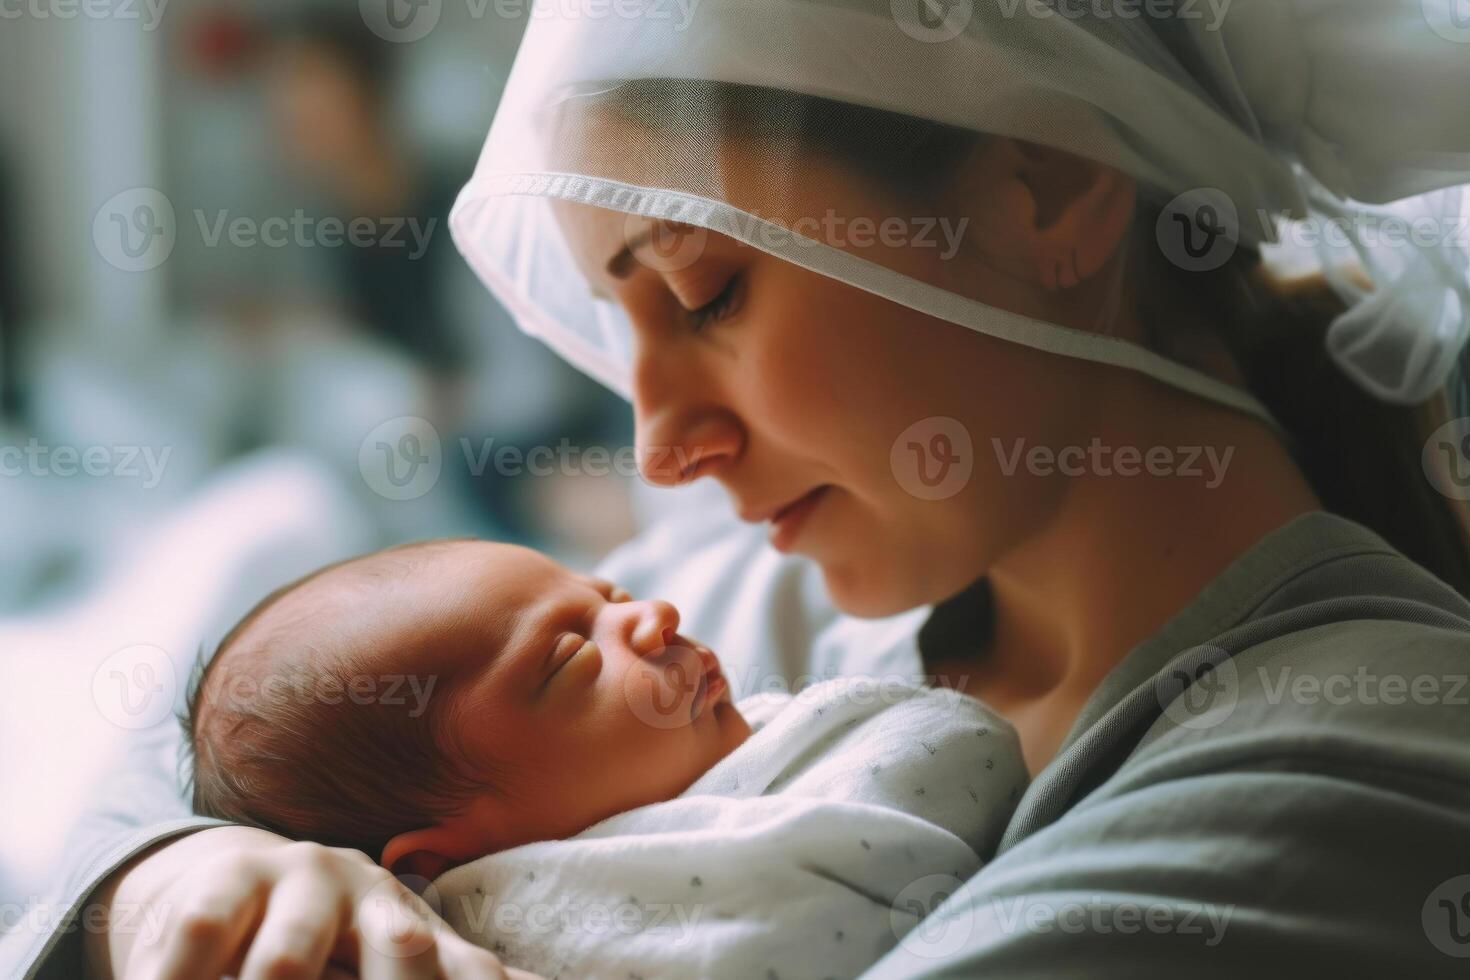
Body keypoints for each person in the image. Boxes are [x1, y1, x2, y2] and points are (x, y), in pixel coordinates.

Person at [18, 2, 1470, 978]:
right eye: (619, 318)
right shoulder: (758, 595)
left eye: (706, 293)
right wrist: (169, 880)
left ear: (1042, 193)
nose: (658, 450)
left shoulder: (1356, 750)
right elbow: (252, 721)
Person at [185, 539, 1025, 979]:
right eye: (570, 661)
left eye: (610, 598)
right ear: (442, 859)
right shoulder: (464, 941)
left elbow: (954, 756)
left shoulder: (810, 751)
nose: (653, 615)